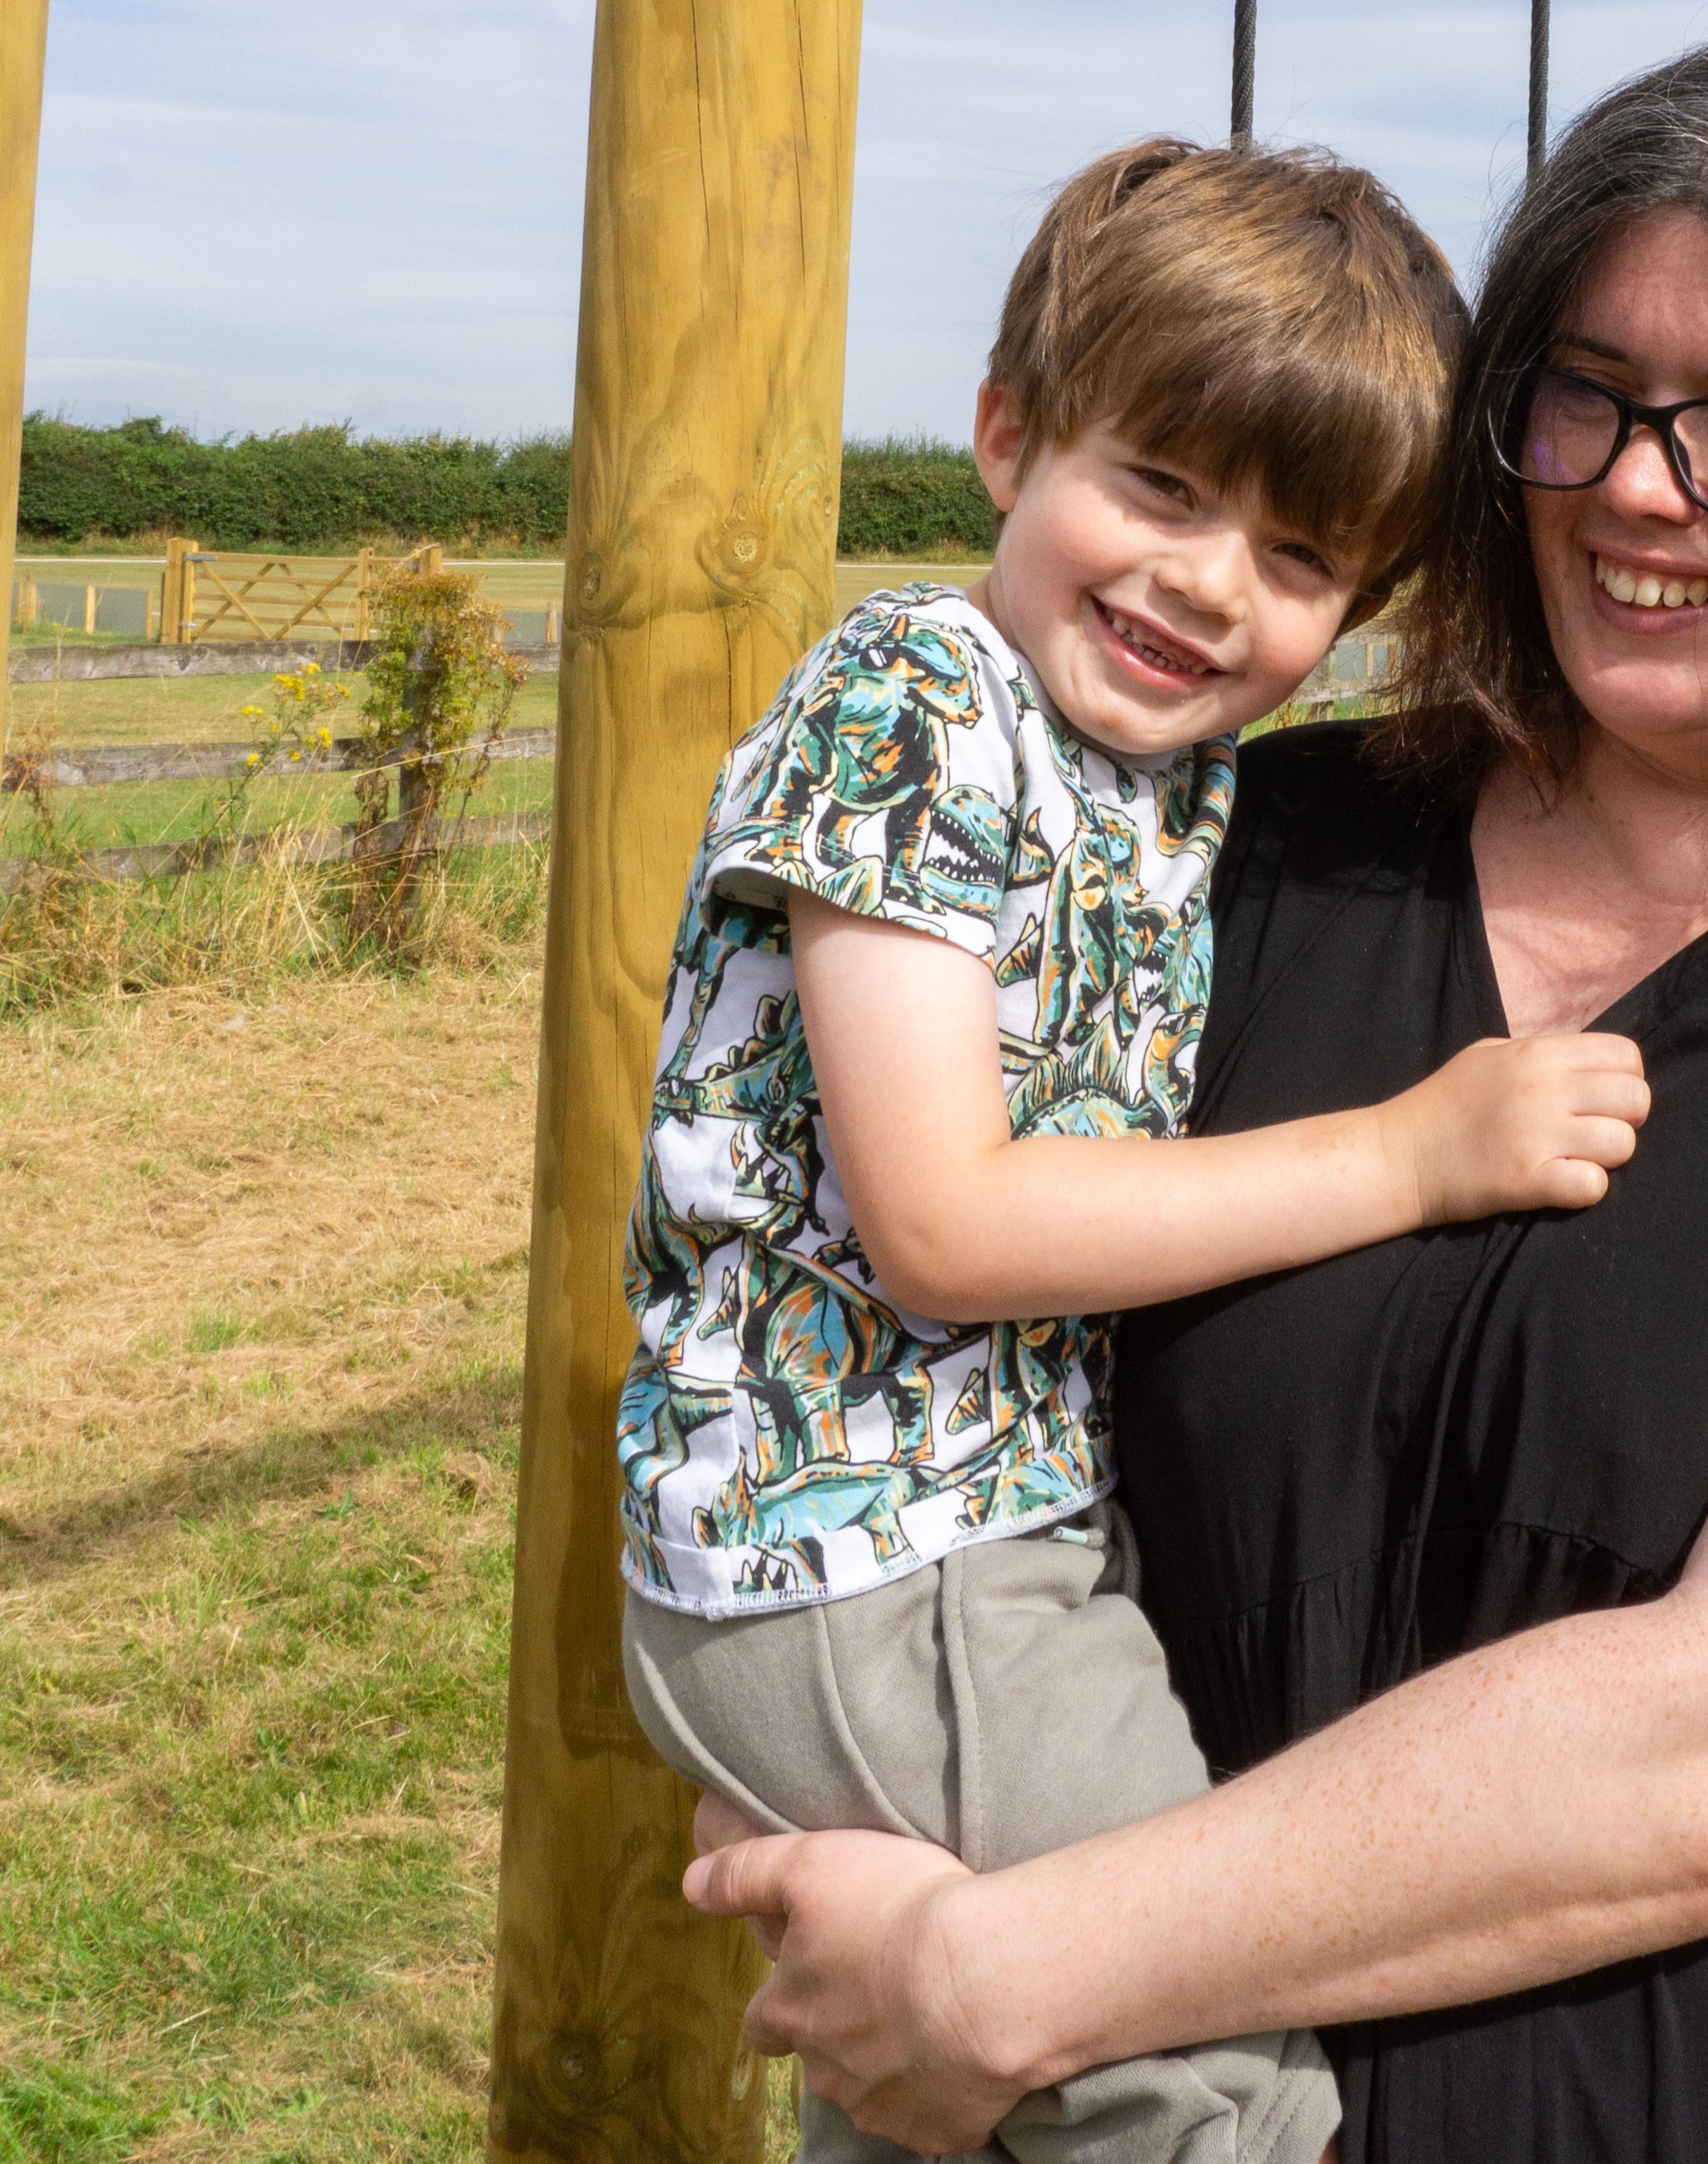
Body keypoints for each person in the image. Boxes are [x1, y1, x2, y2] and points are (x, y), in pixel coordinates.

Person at [683, 25, 1708, 2164]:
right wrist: (827, 1755)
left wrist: (1008, 1976)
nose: (1644, 486)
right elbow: (834, 1298)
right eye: (1591, 398)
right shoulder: (1235, 850)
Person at [614, 139, 1650, 2164]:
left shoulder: (1155, 784)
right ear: (1009, 435)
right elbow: (946, 1221)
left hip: (965, 1538)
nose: (1203, 583)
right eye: (1161, 488)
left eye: (1295, 558)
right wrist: (1417, 1156)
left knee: (953, 2103)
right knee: (1206, 2078)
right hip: (876, 1549)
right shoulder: (917, 701)